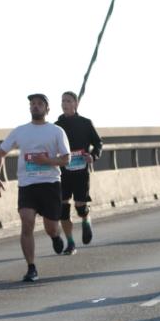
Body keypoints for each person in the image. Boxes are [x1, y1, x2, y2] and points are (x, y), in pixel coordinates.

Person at [0, 93, 71, 282]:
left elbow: (66, 159)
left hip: (50, 183)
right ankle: (31, 267)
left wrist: (47, 161)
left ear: (47, 109)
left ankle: (55, 236)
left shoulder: (56, 131)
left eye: (40, 104)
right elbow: (1, 153)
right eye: (32, 104)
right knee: (27, 222)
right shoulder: (20, 131)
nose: (35, 106)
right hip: (27, 185)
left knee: (51, 227)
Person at [55, 91, 103, 255]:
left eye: (68, 101)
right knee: (63, 207)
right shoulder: (56, 126)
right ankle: (70, 243)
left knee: (80, 206)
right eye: (62, 101)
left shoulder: (85, 123)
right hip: (62, 171)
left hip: (81, 171)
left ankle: (86, 219)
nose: (64, 104)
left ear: (75, 104)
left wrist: (93, 155)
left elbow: (98, 143)